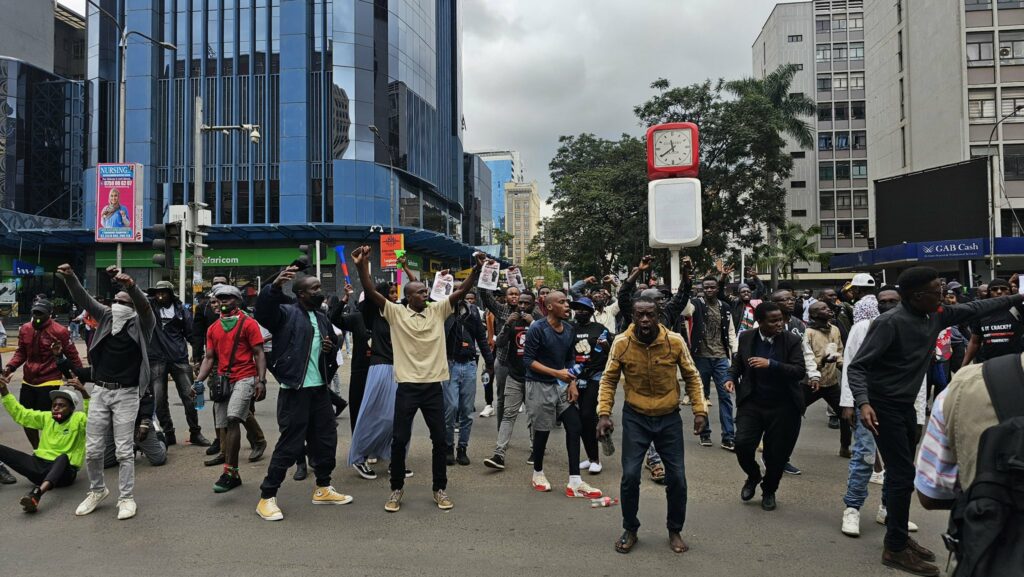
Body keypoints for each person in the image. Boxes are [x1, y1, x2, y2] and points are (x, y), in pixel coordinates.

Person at [847, 266, 1024, 575]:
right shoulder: (889, 323)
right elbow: (858, 367)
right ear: (917, 296)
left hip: (905, 405)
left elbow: (975, 307)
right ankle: (895, 548)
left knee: (898, 475)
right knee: (903, 474)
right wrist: (863, 403)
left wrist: (1018, 297)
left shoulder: (935, 315)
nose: (943, 297)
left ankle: (897, 534)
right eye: (937, 292)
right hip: (882, 407)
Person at [353, 246, 487, 513]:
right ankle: (396, 489)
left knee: (439, 440)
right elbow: (371, 292)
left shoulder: (437, 311)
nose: (426, 294)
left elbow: (461, 292)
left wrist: (477, 269)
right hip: (407, 388)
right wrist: (362, 266)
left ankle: (440, 489)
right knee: (399, 440)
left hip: (433, 388)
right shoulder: (396, 313)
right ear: (408, 297)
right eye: (420, 292)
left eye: (426, 291)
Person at [597, 297, 707, 554]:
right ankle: (630, 528)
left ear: (658, 316)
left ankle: (674, 529)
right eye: (639, 315)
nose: (644, 320)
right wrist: (604, 413)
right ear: (632, 317)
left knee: (677, 478)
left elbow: (692, 375)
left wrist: (700, 410)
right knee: (630, 476)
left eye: (650, 315)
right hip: (636, 416)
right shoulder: (622, 343)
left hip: (669, 417)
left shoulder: (675, 341)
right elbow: (608, 379)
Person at [56, 264, 155, 521]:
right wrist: (71, 277)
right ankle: (97, 490)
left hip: (127, 394)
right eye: (115, 300)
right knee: (93, 450)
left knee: (123, 451)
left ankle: (126, 498)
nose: (118, 305)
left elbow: (144, 307)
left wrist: (131, 287)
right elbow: (83, 299)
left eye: (124, 301)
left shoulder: (142, 324)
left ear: (132, 306)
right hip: (100, 391)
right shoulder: (107, 317)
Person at [254, 266, 350, 521]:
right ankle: (266, 497)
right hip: (295, 391)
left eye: (320, 287)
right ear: (300, 293)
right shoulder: (285, 313)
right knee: (290, 445)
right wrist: (274, 288)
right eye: (315, 288)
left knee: (326, 440)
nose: (320, 291)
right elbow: (263, 312)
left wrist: (329, 348)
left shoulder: (320, 317)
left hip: (319, 390)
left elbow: (329, 347)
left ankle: (323, 487)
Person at [838, 291, 924, 538]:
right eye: (882, 301)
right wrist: (848, 403)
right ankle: (852, 508)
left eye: (892, 301)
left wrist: (918, 416)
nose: (886, 305)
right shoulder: (864, 327)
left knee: (898, 463)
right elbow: (851, 365)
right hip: (868, 403)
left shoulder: (915, 326)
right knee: (864, 457)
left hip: (902, 407)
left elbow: (919, 375)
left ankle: (889, 509)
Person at [726, 302, 807, 512]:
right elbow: (737, 364)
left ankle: (769, 490)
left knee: (776, 455)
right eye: (773, 321)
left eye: (781, 319)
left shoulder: (792, 340)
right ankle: (753, 476)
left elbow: (799, 371)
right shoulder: (746, 338)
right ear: (760, 322)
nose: (779, 324)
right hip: (752, 403)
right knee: (742, 444)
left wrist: (771, 364)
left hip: (784, 406)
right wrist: (730, 378)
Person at [523, 290, 602, 499]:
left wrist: (572, 383)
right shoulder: (537, 329)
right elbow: (528, 361)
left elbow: (570, 360)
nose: (567, 305)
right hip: (538, 384)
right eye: (562, 302)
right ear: (549, 307)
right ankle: (537, 473)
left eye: (567, 302)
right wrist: (555, 373)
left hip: (560, 385)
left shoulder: (568, 329)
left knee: (574, 426)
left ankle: (575, 481)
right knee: (542, 431)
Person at [194, 285, 267, 494]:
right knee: (224, 423)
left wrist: (261, 380)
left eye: (227, 298)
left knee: (234, 418)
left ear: (237, 301)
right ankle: (234, 469)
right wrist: (198, 381)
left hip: (245, 377)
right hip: (223, 380)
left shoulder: (249, 324)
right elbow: (209, 359)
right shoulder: (213, 329)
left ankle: (230, 472)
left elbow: (259, 352)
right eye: (219, 299)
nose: (222, 302)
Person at [0, 374, 89, 513]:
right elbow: (21, 414)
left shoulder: (79, 419)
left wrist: (84, 393)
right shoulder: (47, 418)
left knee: (63, 457)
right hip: (39, 468)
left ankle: (36, 494)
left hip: (64, 473)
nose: (56, 408)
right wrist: (4, 391)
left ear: (71, 409)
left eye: (61, 406)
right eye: (54, 405)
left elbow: (95, 419)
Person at [3, 299, 82, 448]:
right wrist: (10, 367)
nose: (37, 316)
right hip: (28, 380)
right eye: (35, 312)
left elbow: (73, 355)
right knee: (26, 418)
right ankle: (37, 449)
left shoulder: (60, 331)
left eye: (41, 313)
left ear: (49, 315)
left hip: (49, 379)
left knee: (49, 418)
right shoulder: (25, 329)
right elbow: (21, 352)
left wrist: (79, 377)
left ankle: (49, 448)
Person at [347, 279, 401, 480]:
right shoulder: (371, 315)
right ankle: (359, 456)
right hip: (380, 367)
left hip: (399, 368)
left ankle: (393, 458)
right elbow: (369, 294)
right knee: (375, 415)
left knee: (397, 418)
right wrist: (362, 267)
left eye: (397, 292)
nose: (396, 296)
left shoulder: (397, 313)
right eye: (392, 292)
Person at [145, 280, 209, 447]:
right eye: (158, 293)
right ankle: (168, 433)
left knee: (190, 397)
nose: (160, 295)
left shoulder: (181, 310)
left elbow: (191, 334)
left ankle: (195, 432)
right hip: (156, 359)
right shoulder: (149, 308)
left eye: (164, 292)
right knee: (158, 400)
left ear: (170, 293)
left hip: (179, 358)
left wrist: (197, 357)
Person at [681, 270, 739, 450]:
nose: (709, 290)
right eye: (706, 287)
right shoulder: (695, 305)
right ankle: (704, 433)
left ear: (717, 288)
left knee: (726, 397)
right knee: (702, 396)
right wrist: (686, 281)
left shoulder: (725, 307)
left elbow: (730, 331)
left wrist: (735, 351)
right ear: (701, 289)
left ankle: (728, 436)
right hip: (701, 357)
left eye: (712, 287)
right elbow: (683, 308)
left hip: (721, 357)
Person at [483, 292, 538, 470]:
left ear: (533, 304)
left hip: (533, 377)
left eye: (526, 303)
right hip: (514, 375)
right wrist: (507, 324)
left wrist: (533, 323)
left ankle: (535, 449)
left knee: (533, 415)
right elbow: (499, 343)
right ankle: (499, 454)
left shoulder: (538, 320)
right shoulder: (511, 320)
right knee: (508, 413)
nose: (522, 306)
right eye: (520, 303)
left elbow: (548, 339)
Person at [443, 289, 494, 466]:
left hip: (469, 364)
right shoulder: (443, 311)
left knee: (466, 410)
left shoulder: (472, 311)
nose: (459, 294)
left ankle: (462, 448)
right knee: (450, 408)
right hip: (450, 365)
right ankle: (448, 447)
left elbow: (480, 337)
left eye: (461, 291)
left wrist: (489, 363)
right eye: (454, 290)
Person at [568, 297, 613, 474]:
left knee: (588, 415)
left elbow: (610, 353)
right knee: (578, 420)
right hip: (573, 378)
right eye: (577, 309)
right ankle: (590, 457)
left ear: (591, 312)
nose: (580, 312)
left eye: (584, 309)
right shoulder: (569, 328)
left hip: (595, 376)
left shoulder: (599, 329)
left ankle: (596, 459)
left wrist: (606, 345)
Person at [804, 301, 851, 457]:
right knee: (791, 413)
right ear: (814, 315)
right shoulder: (808, 332)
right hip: (811, 384)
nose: (829, 310)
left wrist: (846, 369)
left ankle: (845, 447)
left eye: (828, 307)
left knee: (845, 413)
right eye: (823, 309)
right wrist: (823, 361)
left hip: (831, 383)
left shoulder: (835, 330)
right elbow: (806, 361)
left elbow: (839, 355)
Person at [479, 277, 525, 427]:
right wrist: (487, 273)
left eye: (516, 294)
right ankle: (501, 430)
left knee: (530, 398)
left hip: (524, 362)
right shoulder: (501, 309)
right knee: (501, 397)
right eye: (510, 294)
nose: (514, 296)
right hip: (503, 360)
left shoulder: (527, 311)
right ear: (505, 297)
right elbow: (486, 296)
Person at [961, 278, 1024, 366]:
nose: (999, 292)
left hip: (1015, 364)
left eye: (1003, 289)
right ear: (989, 293)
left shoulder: (1019, 309)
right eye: (994, 289)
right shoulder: (981, 313)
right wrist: (963, 366)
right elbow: (975, 342)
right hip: (988, 364)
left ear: (1010, 292)